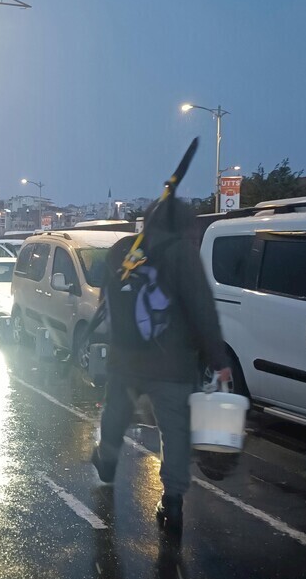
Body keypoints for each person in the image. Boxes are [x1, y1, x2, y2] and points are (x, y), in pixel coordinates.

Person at [91, 196, 230, 535]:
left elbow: (107, 301)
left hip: (126, 360)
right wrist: (218, 360)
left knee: (116, 414)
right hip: (173, 365)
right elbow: (202, 308)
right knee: (175, 433)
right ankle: (173, 502)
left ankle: (107, 461)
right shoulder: (182, 255)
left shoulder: (125, 251)